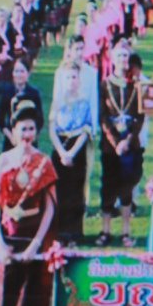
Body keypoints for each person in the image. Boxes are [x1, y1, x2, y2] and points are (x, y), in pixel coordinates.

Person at [0, 99, 56, 306]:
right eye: (23, 129)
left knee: (32, 305)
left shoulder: (44, 162)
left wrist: (35, 245)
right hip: (9, 240)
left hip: (33, 242)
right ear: (14, 130)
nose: (27, 134)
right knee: (5, 304)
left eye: (31, 128)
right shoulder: (3, 160)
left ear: (36, 132)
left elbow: (50, 208)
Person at [97, 53, 145, 245]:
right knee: (108, 186)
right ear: (113, 58)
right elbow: (103, 116)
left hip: (130, 143)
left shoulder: (136, 85)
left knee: (127, 187)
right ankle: (105, 230)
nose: (123, 59)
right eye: (119, 55)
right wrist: (116, 142)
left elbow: (140, 116)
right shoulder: (105, 84)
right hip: (110, 147)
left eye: (125, 55)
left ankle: (126, 232)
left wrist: (128, 140)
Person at [48, 57, 95, 243]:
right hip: (60, 148)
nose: (71, 81)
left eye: (74, 77)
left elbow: (86, 130)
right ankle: (59, 232)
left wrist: (72, 153)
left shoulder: (84, 102)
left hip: (77, 149)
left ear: (79, 79)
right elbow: (52, 129)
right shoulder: (57, 101)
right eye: (68, 77)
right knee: (60, 190)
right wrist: (62, 153)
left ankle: (74, 232)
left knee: (75, 190)